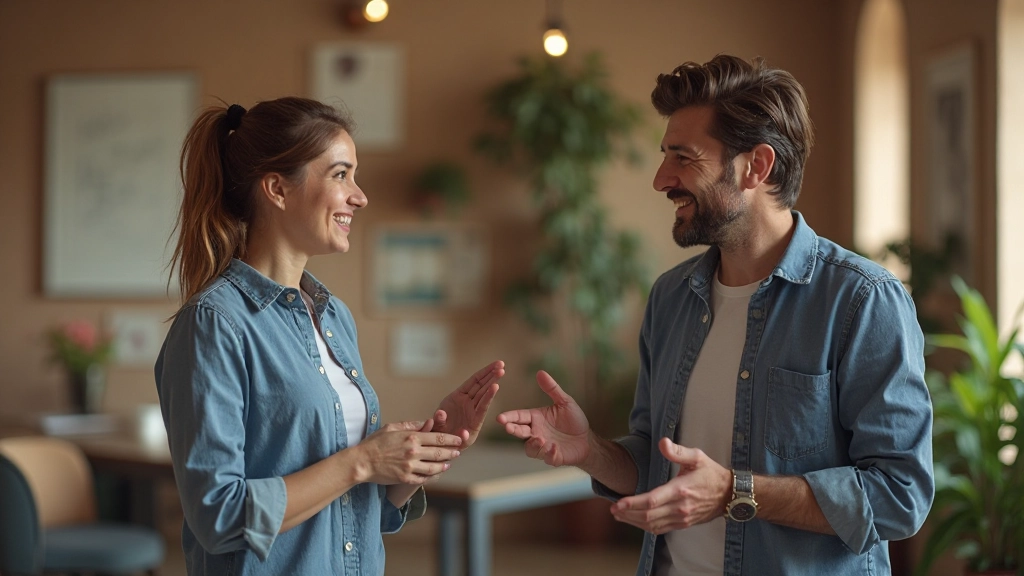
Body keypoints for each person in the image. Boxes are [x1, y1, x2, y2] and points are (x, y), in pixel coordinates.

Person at [497, 55, 934, 576]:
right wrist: (591, 451)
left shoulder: (861, 300)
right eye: (665, 157)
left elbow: (899, 496)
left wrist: (733, 491)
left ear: (757, 166)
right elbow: (657, 468)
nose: (662, 179)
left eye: (683, 158)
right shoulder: (670, 297)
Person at [155, 97, 505, 576]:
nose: (359, 196)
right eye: (341, 175)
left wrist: (426, 450)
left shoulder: (334, 315)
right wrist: (361, 462)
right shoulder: (214, 325)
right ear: (277, 189)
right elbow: (219, 515)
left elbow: (357, 509)